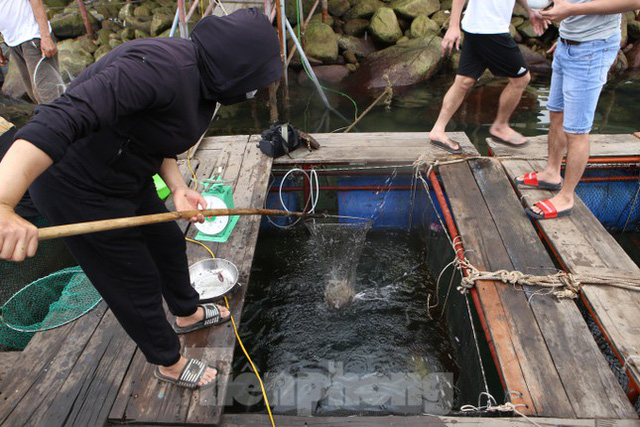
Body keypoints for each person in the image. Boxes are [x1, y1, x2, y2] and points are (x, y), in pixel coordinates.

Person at [0, 8, 282, 389]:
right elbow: (58, 118)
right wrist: (4, 202)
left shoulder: (204, 79)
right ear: (235, 69)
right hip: (75, 187)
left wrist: (178, 186)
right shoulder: (154, 69)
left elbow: (157, 133)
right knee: (133, 279)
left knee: (167, 243)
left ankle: (187, 314)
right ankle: (168, 362)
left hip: (124, 175)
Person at [519, 0, 640, 219]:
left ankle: (566, 197)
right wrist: (564, 35)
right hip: (567, 44)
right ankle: (551, 173)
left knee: (576, 130)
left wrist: (571, 10)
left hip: (592, 51)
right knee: (556, 113)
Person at [429, 0, 549, 153]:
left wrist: (530, 11)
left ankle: (438, 130)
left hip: (477, 28)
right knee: (521, 79)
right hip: (490, 30)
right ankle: (500, 126)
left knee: (464, 81)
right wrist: (453, 26)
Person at [0, 0, 62, 104]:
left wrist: (45, 36)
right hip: (13, 41)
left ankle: (74, 119)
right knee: (35, 95)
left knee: (49, 94)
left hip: (33, 35)